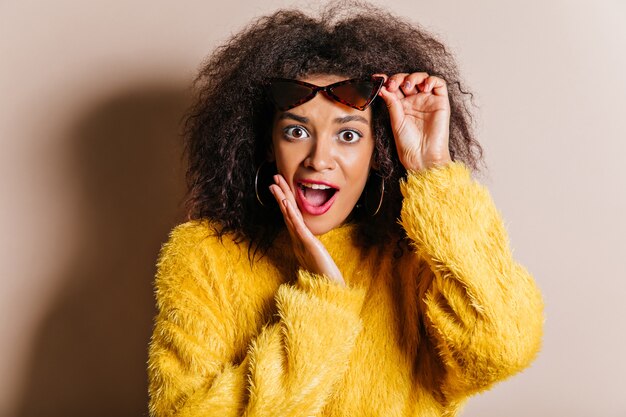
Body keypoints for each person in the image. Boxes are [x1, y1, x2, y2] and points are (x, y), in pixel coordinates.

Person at [146, 2, 544, 416]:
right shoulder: (204, 257)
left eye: (349, 135)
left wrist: (435, 172)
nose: (319, 158)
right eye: (296, 131)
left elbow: (503, 346)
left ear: (379, 152)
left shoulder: (414, 260)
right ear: (267, 145)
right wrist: (323, 302)